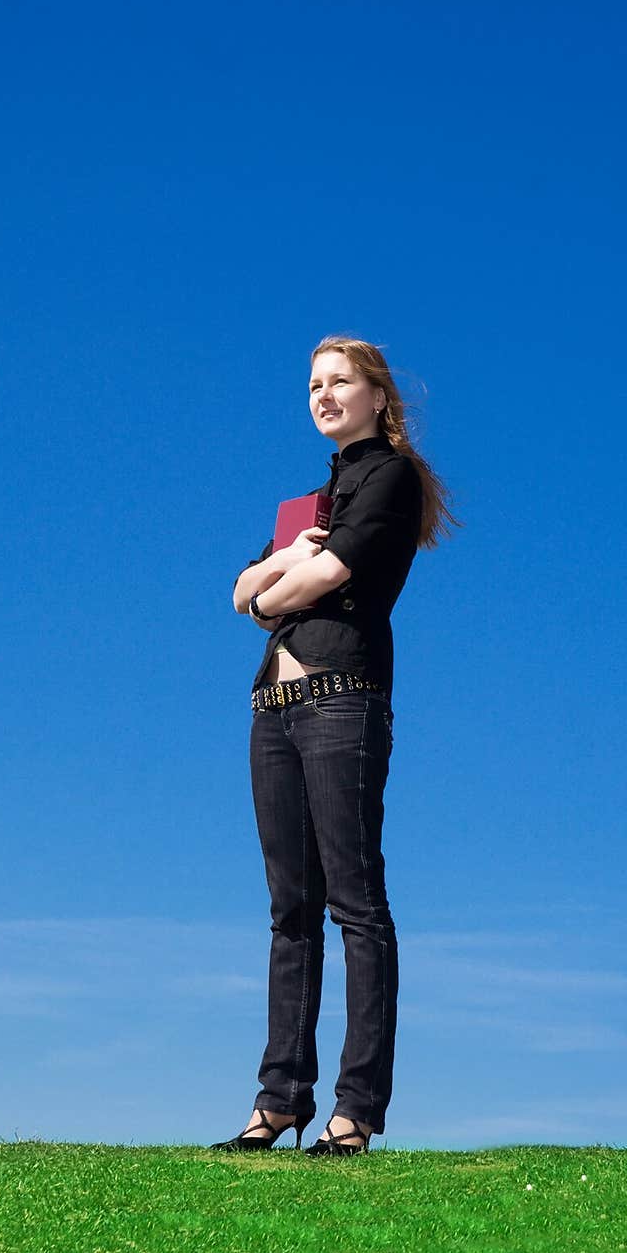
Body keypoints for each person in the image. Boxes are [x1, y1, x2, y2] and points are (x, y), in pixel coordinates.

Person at [213, 335, 459, 1156]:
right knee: (290, 912)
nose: (321, 395)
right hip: (272, 703)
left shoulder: (390, 476)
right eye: (313, 384)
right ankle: (278, 1100)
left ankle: (355, 1113)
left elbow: (316, 585)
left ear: (378, 396)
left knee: (356, 905)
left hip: (341, 698)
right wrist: (278, 565)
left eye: (338, 382)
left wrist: (276, 582)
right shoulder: (310, 505)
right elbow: (242, 590)